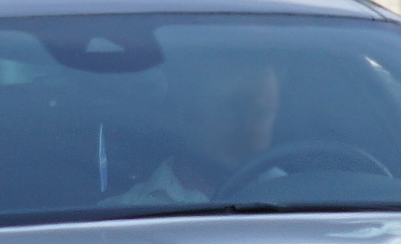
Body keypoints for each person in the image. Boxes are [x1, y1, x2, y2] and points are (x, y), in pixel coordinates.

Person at [110, 55, 280, 206]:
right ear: (185, 115)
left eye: (261, 113)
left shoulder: (295, 191)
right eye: (230, 110)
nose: (247, 128)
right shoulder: (117, 220)